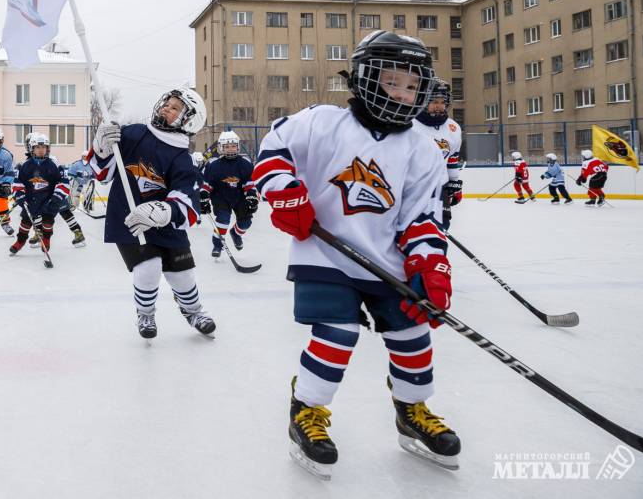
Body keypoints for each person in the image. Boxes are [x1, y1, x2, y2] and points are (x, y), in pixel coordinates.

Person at [252, 30, 458, 478]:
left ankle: (411, 409)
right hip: (324, 253)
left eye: (411, 85)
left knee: (411, 337)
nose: (402, 93)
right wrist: (285, 193)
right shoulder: (323, 121)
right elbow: (272, 152)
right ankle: (306, 409)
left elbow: (421, 217)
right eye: (391, 81)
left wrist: (431, 264)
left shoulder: (423, 148)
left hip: (387, 260)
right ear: (365, 78)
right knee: (337, 332)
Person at [91, 88, 215, 340]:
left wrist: (164, 210)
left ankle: (193, 311)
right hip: (129, 220)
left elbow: (187, 201)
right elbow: (103, 174)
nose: (166, 108)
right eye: (166, 104)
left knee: (181, 275)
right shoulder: (135, 133)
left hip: (165, 224)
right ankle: (145, 313)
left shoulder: (182, 157)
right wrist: (101, 148)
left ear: (189, 120)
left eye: (175, 108)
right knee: (148, 267)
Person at [410, 79, 463, 228]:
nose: (439, 106)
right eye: (434, 101)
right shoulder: (409, 124)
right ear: (423, 100)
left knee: (442, 226)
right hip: (412, 188)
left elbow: (452, 157)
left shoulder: (453, 127)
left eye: (442, 102)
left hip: (441, 186)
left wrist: (454, 182)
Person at [198, 131, 259, 258]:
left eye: (232, 146)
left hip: (239, 196)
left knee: (246, 223)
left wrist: (251, 196)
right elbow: (207, 184)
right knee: (223, 220)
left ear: (237, 146)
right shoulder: (213, 166)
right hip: (221, 196)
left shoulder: (245, 164)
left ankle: (236, 234)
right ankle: (217, 245)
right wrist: (203, 196)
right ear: (221, 148)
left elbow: (249, 183)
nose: (230, 149)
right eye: (226, 146)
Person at [9, 133, 69, 255]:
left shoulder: (54, 165)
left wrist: (57, 197)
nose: (41, 150)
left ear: (48, 149)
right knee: (25, 222)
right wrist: (19, 195)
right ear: (32, 149)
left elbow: (63, 182)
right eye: (37, 147)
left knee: (48, 221)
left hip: (48, 200)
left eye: (44, 147)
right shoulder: (25, 165)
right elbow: (18, 182)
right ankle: (20, 241)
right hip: (31, 200)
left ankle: (46, 239)